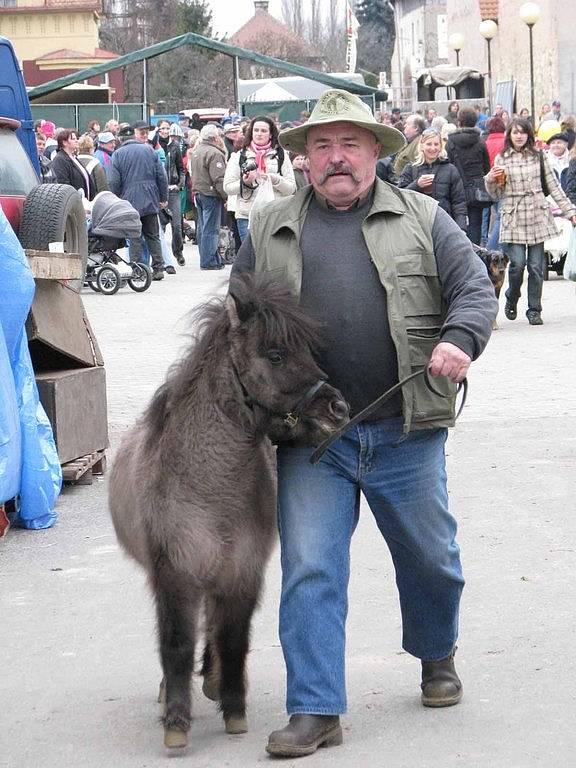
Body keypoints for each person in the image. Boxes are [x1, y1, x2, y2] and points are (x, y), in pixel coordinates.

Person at [231, 88, 498, 758]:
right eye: (322, 145)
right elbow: (237, 312)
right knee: (311, 567)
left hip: (405, 428)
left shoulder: (423, 216)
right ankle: (316, 708)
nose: (337, 158)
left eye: (350, 143)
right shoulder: (269, 227)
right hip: (310, 438)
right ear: (304, 160)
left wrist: (460, 340)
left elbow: (474, 286)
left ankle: (437, 653)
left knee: (431, 560)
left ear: (377, 151)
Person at [485, 117, 576, 325]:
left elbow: (554, 187)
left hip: (537, 213)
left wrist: (570, 211)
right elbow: (496, 193)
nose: (519, 136)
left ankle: (534, 309)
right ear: (509, 135)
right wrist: (490, 179)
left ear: (529, 134)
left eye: (522, 132)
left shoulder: (539, 156)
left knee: (536, 266)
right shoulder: (502, 158)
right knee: (517, 265)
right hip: (514, 215)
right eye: (515, 132)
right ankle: (512, 296)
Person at [108, 123, 169, 280]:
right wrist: (163, 198)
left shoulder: (118, 155)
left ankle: (137, 268)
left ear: (121, 139)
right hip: (150, 199)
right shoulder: (150, 150)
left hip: (130, 201)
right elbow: (161, 176)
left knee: (134, 236)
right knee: (153, 235)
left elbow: (114, 182)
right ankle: (158, 268)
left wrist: (115, 200)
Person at [223, 115, 296, 242]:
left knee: (274, 258)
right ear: (251, 133)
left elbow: (291, 188)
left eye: (263, 131)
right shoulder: (239, 156)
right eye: (256, 130)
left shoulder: (281, 155)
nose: (259, 134)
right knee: (252, 257)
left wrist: (275, 180)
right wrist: (245, 182)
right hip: (247, 215)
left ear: (271, 134)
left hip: (276, 215)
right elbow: (228, 187)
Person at [398, 128, 467, 230]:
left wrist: (461, 229)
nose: (433, 148)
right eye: (429, 144)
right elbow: (400, 197)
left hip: (444, 225)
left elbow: (459, 203)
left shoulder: (450, 170)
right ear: (422, 145)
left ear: (440, 146)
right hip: (417, 226)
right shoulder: (411, 168)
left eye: (436, 144)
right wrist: (417, 185)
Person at [446, 107, 491, 245]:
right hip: (476, 190)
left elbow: (448, 166)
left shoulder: (451, 142)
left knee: (456, 222)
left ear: (459, 122)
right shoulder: (480, 142)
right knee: (475, 224)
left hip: (456, 187)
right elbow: (486, 167)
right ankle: (475, 253)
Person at [189, 123, 227, 270]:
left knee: (203, 228)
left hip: (199, 192)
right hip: (211, 194)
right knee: (211, 229)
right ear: (216, 137)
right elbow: (218, 178)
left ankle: (209, 259)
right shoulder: (214, 153)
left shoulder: (196, 151)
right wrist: (225, 196)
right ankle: (209, 261)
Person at [156, 120, 186, 266]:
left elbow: (181, 168)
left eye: (168, 128)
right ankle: (161, 256)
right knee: (159, 225)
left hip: (173, 189)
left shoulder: (174, 146)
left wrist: (180, 184)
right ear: (158, 130)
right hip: (158, 190)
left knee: (176, 224)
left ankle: (178, 252)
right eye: (163, 128)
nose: (166, 131)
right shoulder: (154, 146)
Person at [483, 117, 506, 250]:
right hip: (503, 182)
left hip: (490, 181)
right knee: (500, 217)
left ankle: (486, 241)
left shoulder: (486, 143)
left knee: (490, 215)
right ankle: (493, 248)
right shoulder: (506, 142)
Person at [50, 128, 91, 199]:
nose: (76, 141)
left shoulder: (74, 157)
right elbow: (63, 184)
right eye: (73, 139)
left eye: (76, 138)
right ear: (64, 142)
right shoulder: (60, 160)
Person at [76, 133, 109, 198]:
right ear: (91, 149)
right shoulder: (95, 164)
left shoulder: (72, 161)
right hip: (92, 201)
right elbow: (102, 189)